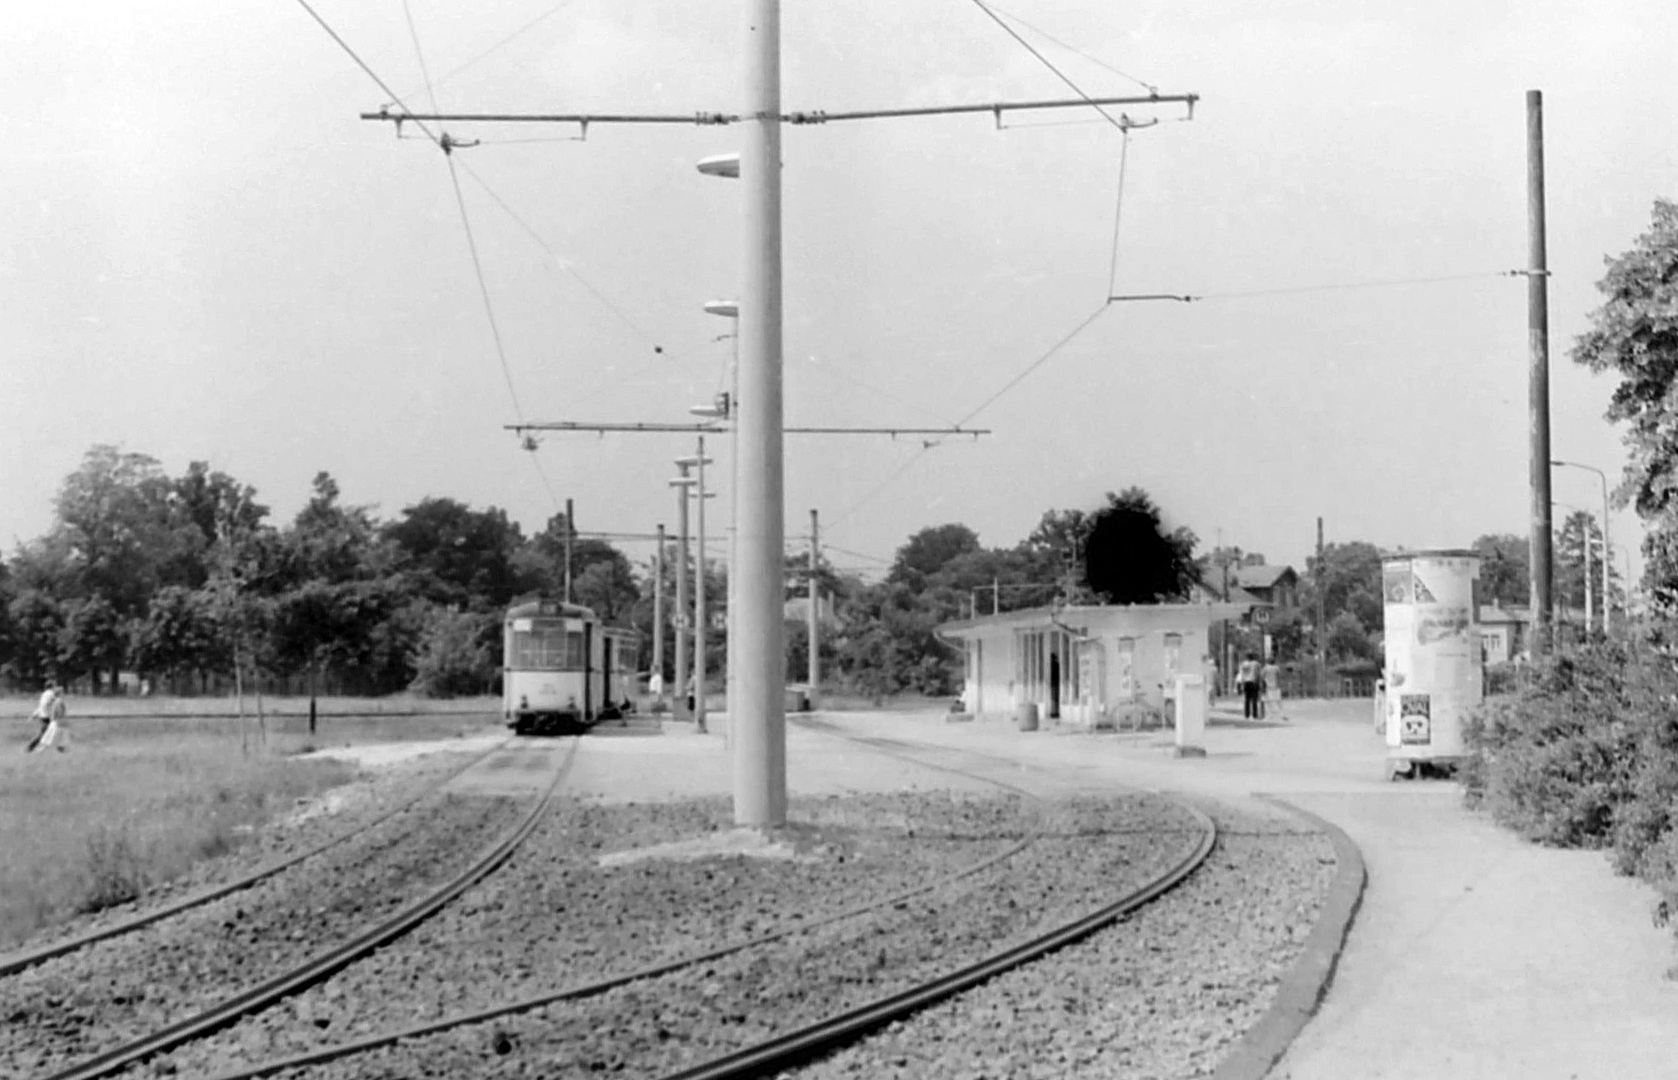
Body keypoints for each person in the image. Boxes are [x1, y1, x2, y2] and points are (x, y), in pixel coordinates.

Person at [26, 681, 67, 753]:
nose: (55, 687)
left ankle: (60, 748)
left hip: (43, 715)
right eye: (54, 686)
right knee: (47, 733)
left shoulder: (44, 694)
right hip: (47, 716)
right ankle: (31, 747)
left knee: (52, 732)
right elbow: (54, 702)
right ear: (52, 686)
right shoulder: (51, 694)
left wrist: (34, 714)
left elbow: (41, 706)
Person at [1237, 653, 1262, 720]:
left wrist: (1242, 684)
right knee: (1254, 699)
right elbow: (1259, 673)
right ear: (1253, 657)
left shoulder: (1243, 664)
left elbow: (1241, 674)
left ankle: (1247, 715)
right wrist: (1259, 682)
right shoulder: (1257, 663)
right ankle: (1255, 715)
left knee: (1247, 699)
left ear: (1247, 657)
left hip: (1246, 682)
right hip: (1254, 682)